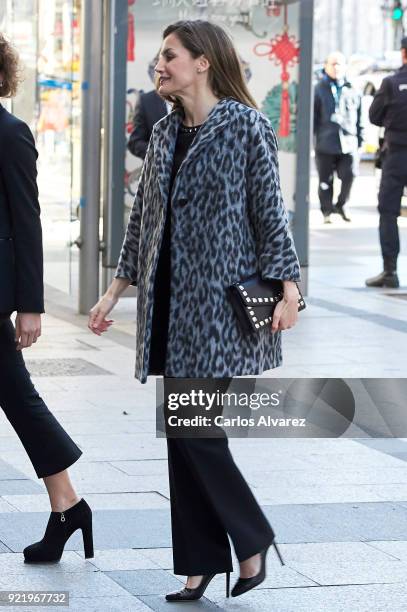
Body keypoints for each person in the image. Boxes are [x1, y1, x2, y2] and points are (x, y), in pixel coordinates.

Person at [88, 20, 301, 601]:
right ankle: (200, 562)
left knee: (195, 430)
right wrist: (114, 290)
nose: (159, 66)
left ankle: (252, 539)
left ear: (203, 62)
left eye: (169, 56)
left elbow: (268, 211)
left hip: (220, 310)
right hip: (167, 310)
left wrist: (289, 285)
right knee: (182, 436)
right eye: (160, 58)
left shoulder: (243, 125)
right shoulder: (162, 133)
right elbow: (143, 222)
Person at [0, 33, 93, 563]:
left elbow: (27, 220)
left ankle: (69, 506)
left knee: (21, 398)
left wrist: (31, 304)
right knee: (18, 398)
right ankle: (68, 505)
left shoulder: (11, 133)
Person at [365, 37, 407, 288]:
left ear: (403, 54)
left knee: (388, 212)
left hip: (397, 157)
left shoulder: (391, 83)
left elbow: (374, 116)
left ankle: (390, 271)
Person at [314, 51, 363, 223]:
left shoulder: (353, 88)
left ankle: (342, 204)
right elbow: (313, 118)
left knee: (350, 174)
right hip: (325, 142)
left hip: (348, 142)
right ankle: (327, 210)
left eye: (339, 64)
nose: (336, 67)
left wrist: (360, 141)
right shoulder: (319, 89)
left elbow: (360, 117)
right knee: (325, 181)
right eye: (332, 64)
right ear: (326, 66)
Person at [127, 89, 169, 160]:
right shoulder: (146, 100)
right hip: (157, 168)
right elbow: (134, 142)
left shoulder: (192, 99)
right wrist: (158, 152)